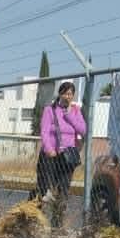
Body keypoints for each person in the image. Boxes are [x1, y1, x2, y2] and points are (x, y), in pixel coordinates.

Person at [34, 81, 88, 224]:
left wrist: (69, 115)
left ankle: (57, 224)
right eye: (65, 93)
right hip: (50, 156)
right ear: (60, 94)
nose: (68, 97)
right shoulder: (49, 110)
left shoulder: (75, 111)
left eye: (70, 94)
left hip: (67, 157)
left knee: (63, 191)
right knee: (44, 190)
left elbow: (83, 130)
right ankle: (35, 219)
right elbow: (44, 132)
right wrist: (49, 149)